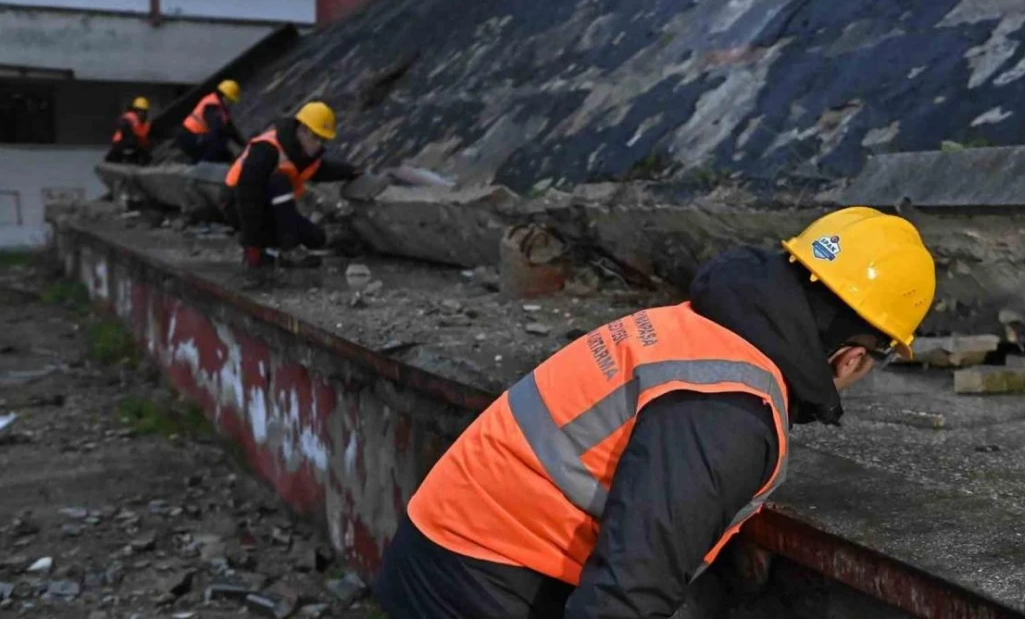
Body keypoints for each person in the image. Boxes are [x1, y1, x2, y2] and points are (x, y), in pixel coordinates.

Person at [375, 207, 937, 618]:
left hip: (457, 551)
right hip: (478, 582)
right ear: (854, 355)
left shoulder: (701, 328)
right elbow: (626, 592)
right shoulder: (729, 412)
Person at [223, 101, 362, 268]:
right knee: (279, 183)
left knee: (315, 237)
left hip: (269, 206)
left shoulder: (301, 151)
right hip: (236, 203)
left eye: (323, 140)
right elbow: (247, 197)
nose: (318, 144)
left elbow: (320, 170)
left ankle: (282, 246)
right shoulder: (267, 150)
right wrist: (253, 243)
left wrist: (351, 172)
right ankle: (285, 250)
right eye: (315, 137)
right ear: (301, 130)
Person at [176, 79, 245, 164]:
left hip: (194, 136)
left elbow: (230, 129)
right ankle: (201, 165)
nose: (231, 104)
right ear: (224, 97)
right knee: (217, 144)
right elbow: (217, 129)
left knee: (220, 144)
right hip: (188, 137)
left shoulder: (220, 108)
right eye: (231, 101)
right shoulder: (212, 107)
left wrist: (244, 144)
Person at [105, 96, 152, 165]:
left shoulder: (145, 124)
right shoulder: (129, 118)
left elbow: (144, 137)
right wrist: (131, 134)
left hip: (136, 145)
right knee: (130, 143)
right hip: (121, 143)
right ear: (135, 110)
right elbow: (122, 125)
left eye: (144, 111)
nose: (142, 113)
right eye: (140, 110)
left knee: (146, 156)